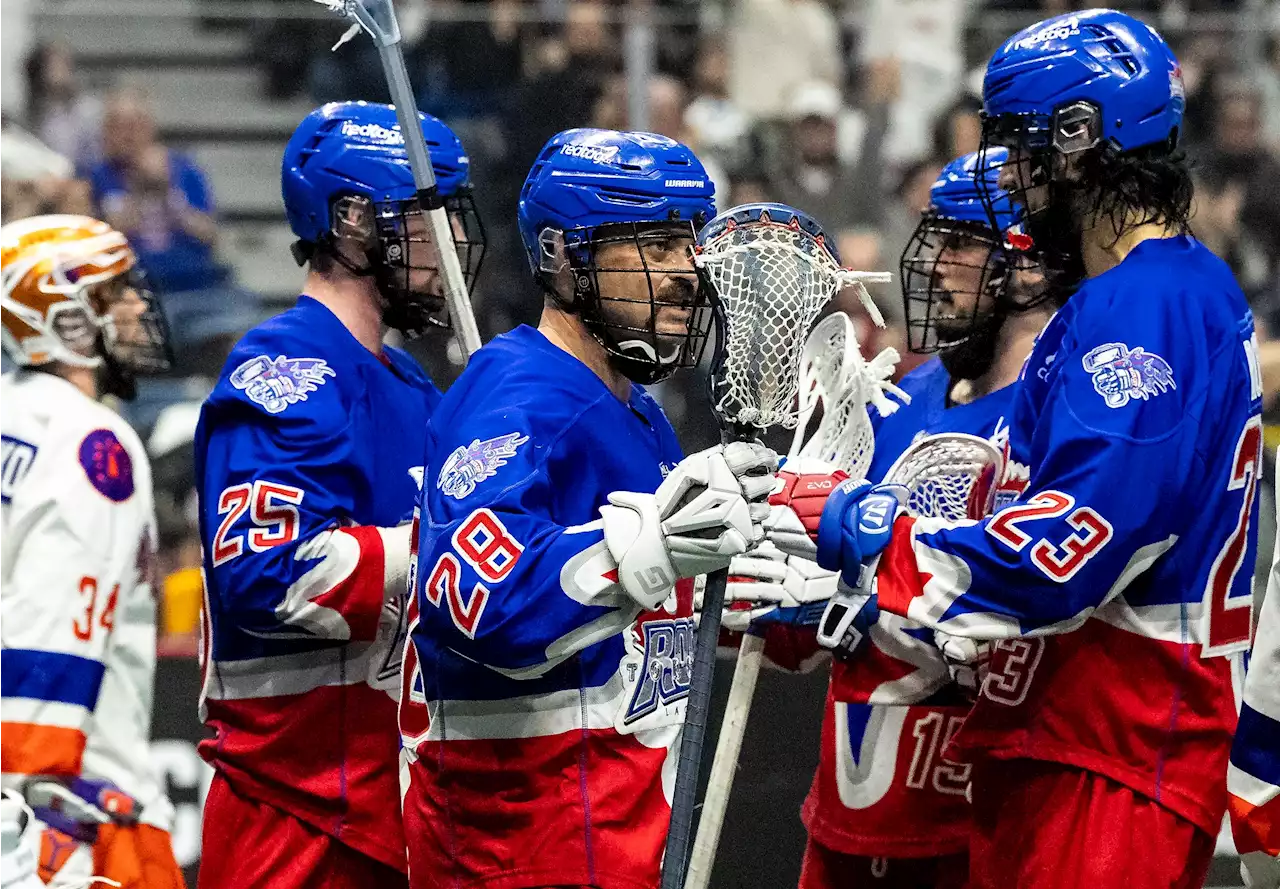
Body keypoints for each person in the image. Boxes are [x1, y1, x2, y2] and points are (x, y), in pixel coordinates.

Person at [766, 10, 1262, 888]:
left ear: (1080, 142)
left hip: (1112, 749)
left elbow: (1070, 548)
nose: (1011, 184)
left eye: (1023, 155)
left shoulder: (1145, 303)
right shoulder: (1140, 295)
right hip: (1071, 739)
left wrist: (868, 531)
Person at [398, 128, 775, 889]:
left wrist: (753, 582)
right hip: (521, 846)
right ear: (562, 258)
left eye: (688, 244)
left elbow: (635, 622)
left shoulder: (638, 410)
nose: (684, 274)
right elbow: (471, 597)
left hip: (615, 830)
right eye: (655, 246)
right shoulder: (517, 396)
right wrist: (647, 549)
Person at [724, 150, 1054, 889]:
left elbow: (1023, 615)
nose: (935, 264)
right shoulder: (910, 388)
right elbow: (817, 616)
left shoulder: (1059, 416)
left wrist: (885, 585)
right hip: (855, 807)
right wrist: (763, 592)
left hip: (975, 825)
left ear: (1027, 262)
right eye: (934, 239)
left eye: (961, 242)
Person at [195, 101, 484, 889]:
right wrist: (437, 544)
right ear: (354, 222)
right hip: (291, 818)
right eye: (429, 216)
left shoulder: (414, 385)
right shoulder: (285, 369)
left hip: (388, 807)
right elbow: (266, 575)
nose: (453, 242)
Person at [0, 214, 182, 887]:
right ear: (66, 318)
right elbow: (51, 642)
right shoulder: (91, 442)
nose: (137, 306)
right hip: (78, 824)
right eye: (116, 292)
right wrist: (29, 809)